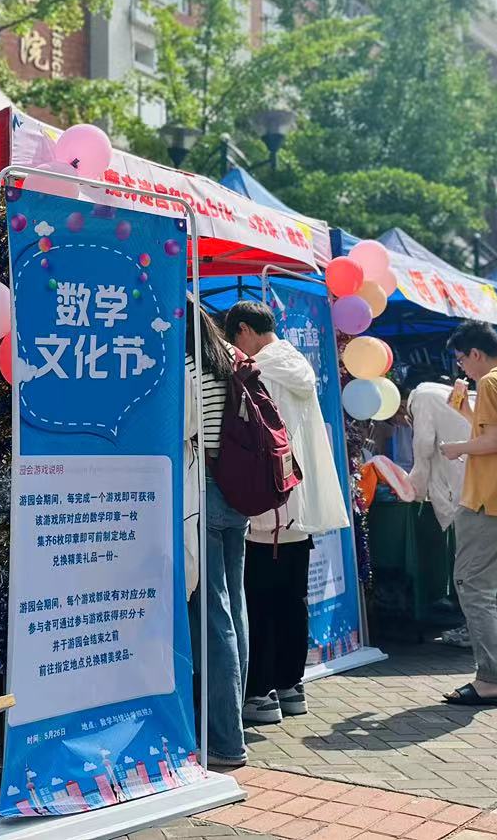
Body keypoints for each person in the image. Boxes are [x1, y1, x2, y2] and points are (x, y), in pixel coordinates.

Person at [225, 300, 350, 727]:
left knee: (259, 604)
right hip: (302, 508)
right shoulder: (298, 364)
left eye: (234, 338)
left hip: (268, 508)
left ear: (244, 330)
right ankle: (291, 686)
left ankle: (260, 693)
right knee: (293, 602)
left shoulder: (258, 371)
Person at [437, 320, 497, 706]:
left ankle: (488, 679)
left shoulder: (491, 383)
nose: (462, 367)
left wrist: (457, 448)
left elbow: (493, 441)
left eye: (462, 359)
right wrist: (465, 411)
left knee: (473, 586)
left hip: (487, 500)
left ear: (475, 353)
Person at [186, 298, 251, 769]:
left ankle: (226, 740)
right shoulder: (231, 357)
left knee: (213, 615)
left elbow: (183, 428)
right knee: (233, 607)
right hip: (239, 491)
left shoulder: (189, 364)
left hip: (205, 490)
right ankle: (235, 720)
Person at [407, 372, 471, 532]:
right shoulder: (437, 393)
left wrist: (415, 490)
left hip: (459, 481)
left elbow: (423, 447)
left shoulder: (421, 399)